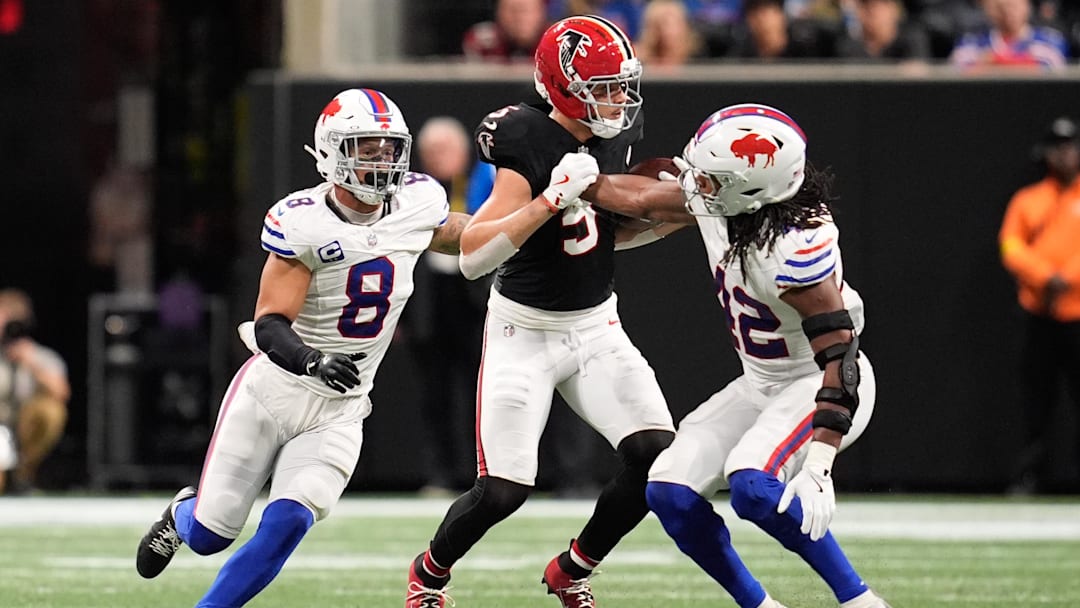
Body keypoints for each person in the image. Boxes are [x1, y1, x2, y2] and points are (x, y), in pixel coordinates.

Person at [134, 87, 470, 607]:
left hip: (341, 408)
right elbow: (268, 324)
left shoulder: (417, 201)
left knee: (286, 523)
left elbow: (454, 234)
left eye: (389, 148)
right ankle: (183, 515)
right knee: (210, 535)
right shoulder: (304, 221)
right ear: (332, 152)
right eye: (367, 148)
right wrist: (314, 359)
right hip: (276, 389)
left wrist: (528, 226)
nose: (382, 162)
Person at [405, 15, 678, 608]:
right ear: (561, 86)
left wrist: (673, 217)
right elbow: (476, 254)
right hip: (522, 330)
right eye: (601, 86)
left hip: (596, 325)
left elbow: (602, 234)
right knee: (503, 489)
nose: (617, 99)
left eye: (621, 84)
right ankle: (429, 572)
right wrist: (551, 199)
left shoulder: (612, 139)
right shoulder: (524, 135)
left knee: (656, 453)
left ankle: (573, 568)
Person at [585, 104, 888, 607]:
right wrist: (581, 183)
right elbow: (643, 196)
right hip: (761, 381)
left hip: (818, 381)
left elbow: (840, 355)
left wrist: (819, 462)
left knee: (752, 484)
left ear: (750, 188)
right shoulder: (731, 200)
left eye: (711, 178)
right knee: (668, 490)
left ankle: (858, 600)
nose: (697, 185)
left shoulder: (793, 248)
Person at [410, 116, 495, 495]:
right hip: (431, 302)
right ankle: (441, 473)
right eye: (430, 152)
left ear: (464, 150)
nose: (438, 158)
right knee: (435, 393)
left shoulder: (489, 182)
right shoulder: (412, 191)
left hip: (477, 298)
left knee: (483, 391)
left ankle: (487, 471)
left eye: (445, 150)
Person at [999, 116, 1080, 495]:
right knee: (1036, 400)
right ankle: (1030, 475)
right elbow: (1011, 246)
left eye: (1072, 146)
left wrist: (1069, 276)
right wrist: (1046, 276)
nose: (1067, 154)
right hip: (1039, 313)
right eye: (1060, 147)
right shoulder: (1029, 200)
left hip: (1077, 313)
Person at [0, 288, 70, 495]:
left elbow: (61, 393)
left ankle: (24, 472)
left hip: (23, 430)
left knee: (51, 411)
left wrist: (30, 362)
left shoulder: (41, 356)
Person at [949, 0, 1068, 71]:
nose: (1008, 13)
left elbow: (1050, 70)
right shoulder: (972, 40)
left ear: (1026, 5)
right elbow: (958, 71)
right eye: (1001, 7)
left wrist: (993, 60)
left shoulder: (1049, 38)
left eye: (1013, 5)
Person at [462, 0, 549, 63]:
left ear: (541, 12)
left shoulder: (555, 44)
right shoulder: (482, 42)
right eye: (513, 11)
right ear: (498, 12)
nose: (520, 18)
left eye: (526, 10)